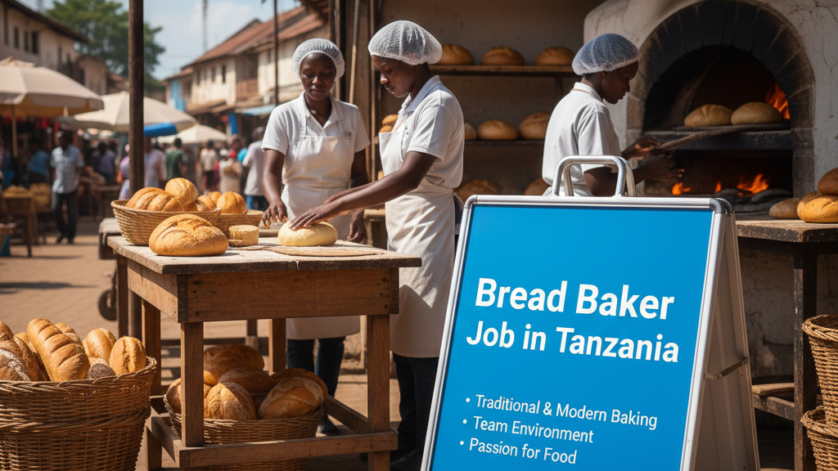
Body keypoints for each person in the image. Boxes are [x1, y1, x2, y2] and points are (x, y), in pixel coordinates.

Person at [286, 23, 461, 470]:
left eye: (388, 71)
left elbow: (407, 177)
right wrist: (348, 205)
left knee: (426, 341)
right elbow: (392, 181)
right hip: (405, 226)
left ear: (415, 61)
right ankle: (406, 438)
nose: (382, 80)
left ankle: (428, 448)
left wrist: (340, 203)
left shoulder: (438, 104)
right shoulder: (409, 105)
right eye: (380, 71)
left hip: (431, 227)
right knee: (403, 340)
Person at [261, 38, 370, 435]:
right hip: (297, 224)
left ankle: (323, 408)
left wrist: (357, 211)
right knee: (299, 328)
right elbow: (270, 170)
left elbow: (359, 177)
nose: (317, 81)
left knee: (335, 328)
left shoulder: (352, 116)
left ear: (336, 74)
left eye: (325, 74)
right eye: (309, 73)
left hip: (338, 225)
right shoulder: (284, 115)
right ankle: (299, 411)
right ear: (299, 74)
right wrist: (275, 201)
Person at [542, 33, 672, 196]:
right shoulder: (593, 109)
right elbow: (599, 186)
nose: (627, 88)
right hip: (585, 210)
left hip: (561, 204)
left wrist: (627, 154)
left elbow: (582, 166)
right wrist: (646, 171)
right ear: (603, 71)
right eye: (626, 78)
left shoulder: (568, 102)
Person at [51, 131, 85, 244]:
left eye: (61, 139)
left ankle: (70, 235)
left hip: (72, 186)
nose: (59, 142)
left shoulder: (75, 152)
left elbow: (80, 168)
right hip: (58, 186)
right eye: (57, 140)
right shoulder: (55, 153)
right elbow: (53, 168)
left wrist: (79, 185)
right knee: (56, 209)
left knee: (71, 212)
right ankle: (63, 231)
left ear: (66, 140)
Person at [242, 127, 267, 210]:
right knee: (264, 210)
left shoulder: (254, 146)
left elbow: (246, 163)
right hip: (266, 184)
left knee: (251, 211)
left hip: (254, 182)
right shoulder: (270, 146)